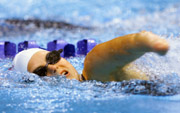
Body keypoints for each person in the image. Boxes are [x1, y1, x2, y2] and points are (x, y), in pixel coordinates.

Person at [13, 31, 169, 82]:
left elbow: (105, 54)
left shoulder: (94, 69)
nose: (53, 67)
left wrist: (143, 41)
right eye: (41, 72)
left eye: (52, 58)